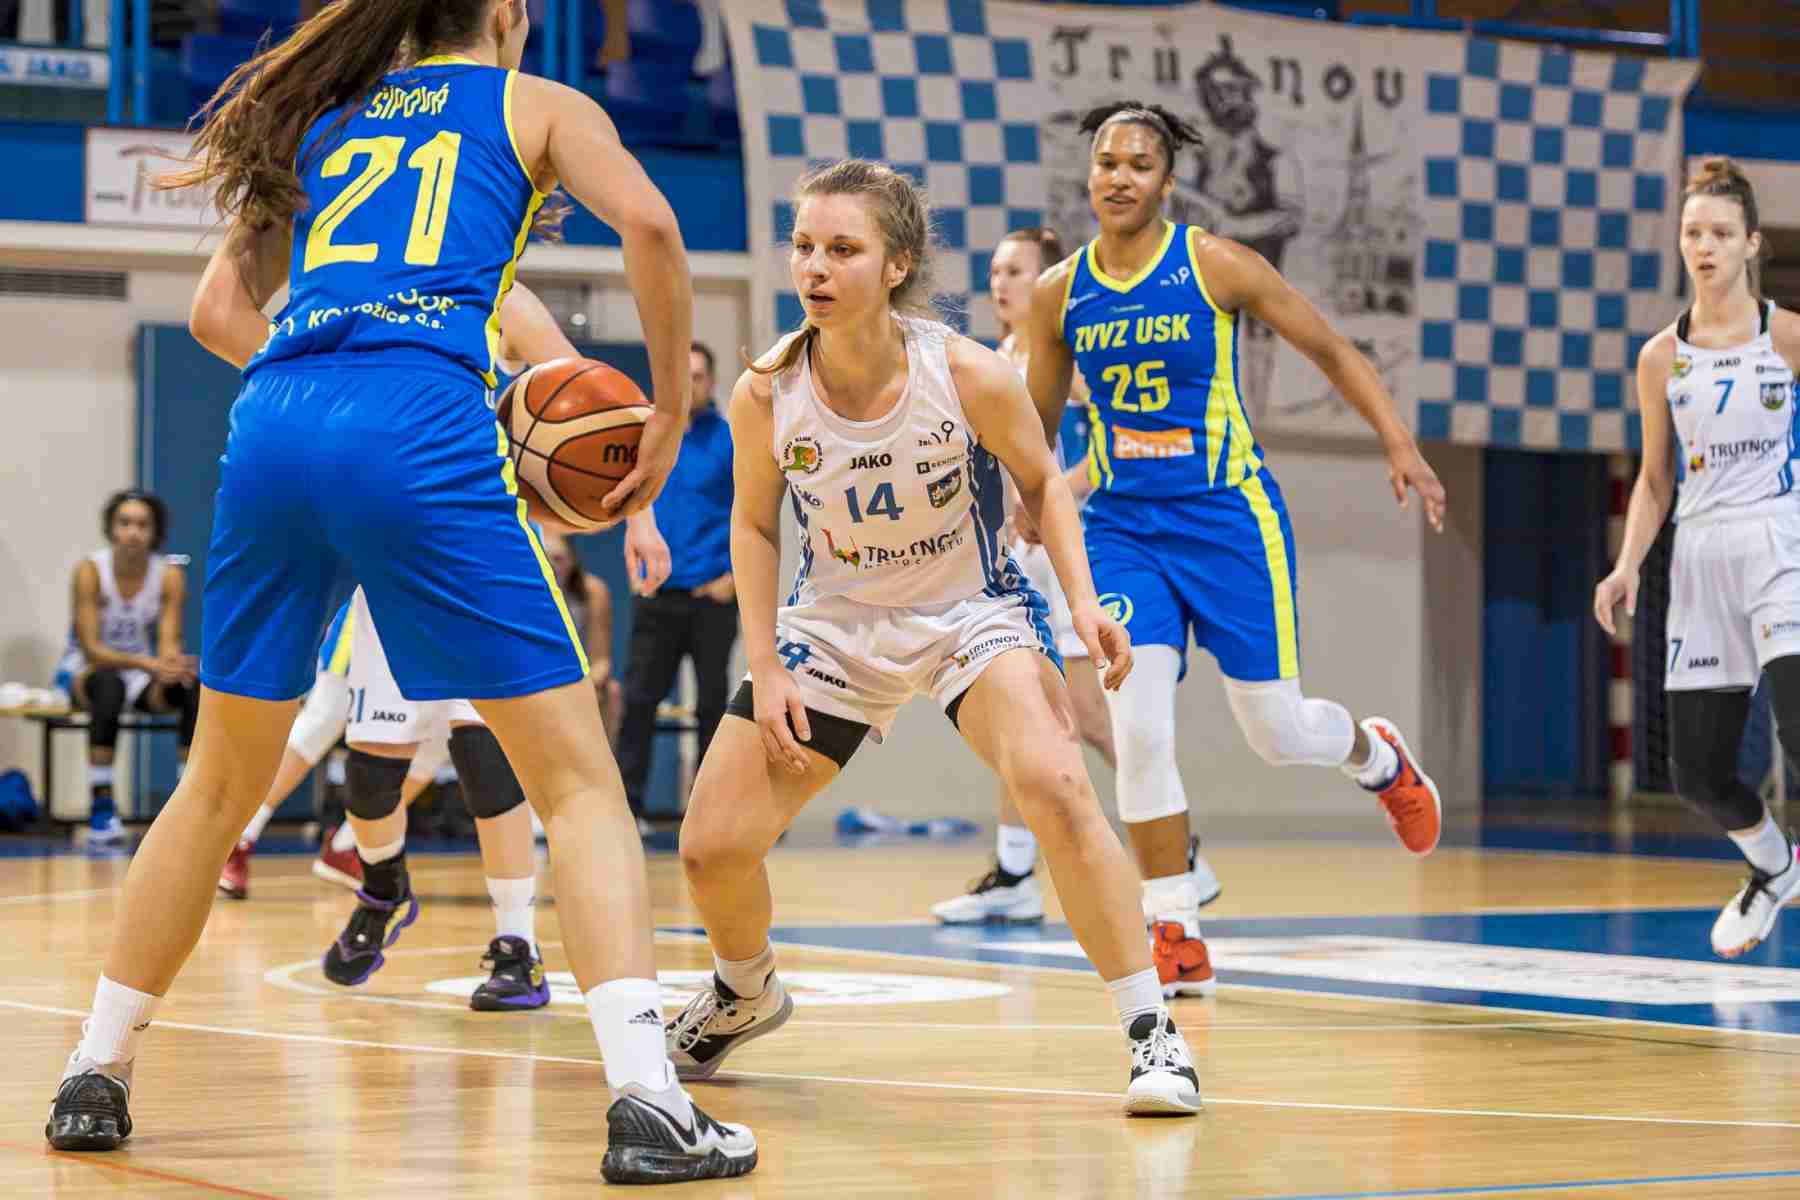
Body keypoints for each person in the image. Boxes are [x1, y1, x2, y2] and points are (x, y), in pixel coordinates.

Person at [44, 2, 755, 1184]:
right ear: (509, 14)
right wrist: (670, 416)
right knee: (579, 782)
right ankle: (648, 1103)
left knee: (215, 787)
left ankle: (93, 1069)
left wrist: (332, 377)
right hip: (420, 421)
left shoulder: (324, 115)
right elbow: (652, 223)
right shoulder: (534, 103)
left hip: (274, 422)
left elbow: (217, 314)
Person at [664, 158, 1201, 1116]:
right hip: (834, 628)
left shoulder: (965, 372)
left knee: (1056, 785)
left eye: (842, 249)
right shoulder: (767, 390)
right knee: (710, 848)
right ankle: (745, 989)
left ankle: (1151, 1028)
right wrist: (766, 663)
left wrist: (1083, 603)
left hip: (967, 614)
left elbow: (1042, 482)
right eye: (804, 246)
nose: (814, 267)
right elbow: (753, 525)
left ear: (897, 264)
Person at [1026, 102, 1447, 999]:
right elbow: (1034, 423)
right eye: (1106, 161)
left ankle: (1376, 755)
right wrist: (1030, 501)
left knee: (1277, 732)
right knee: (1139, 728)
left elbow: (1330, 347)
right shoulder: (1060, 292)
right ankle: (1174, 927)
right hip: (1123, 530)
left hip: (1228, 520)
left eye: (1139, 164)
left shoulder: (1215, 264)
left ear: (1168, 182)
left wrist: (1398, 442)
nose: (1119, 177)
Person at [1595, 157, 1800, 959]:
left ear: (1751, 243)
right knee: (1698, 774)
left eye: (1720, 233)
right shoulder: (1660, 357)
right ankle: (1774, 868)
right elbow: (1655, 480)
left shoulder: (1787, 336)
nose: (1705, 247)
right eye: (1693, 233)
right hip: (1699, 557)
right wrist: (1626, 566)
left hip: (1778, 542)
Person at [930, 227, 1117, 926]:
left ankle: (1175, 843)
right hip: (1012, 559)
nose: (999, 283)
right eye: (995, 271)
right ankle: (1013, 872)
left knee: (1088, 715)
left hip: (1070, 552)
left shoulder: (1064, 357)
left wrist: (1050, 495)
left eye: (1016, 271)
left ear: (1048, 282)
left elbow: (1116, 443)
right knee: (1023, 710)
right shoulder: (993, 360)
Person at [614, 342, 739, 822]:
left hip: (713, 596)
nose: (691, 385)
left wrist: (734, 578)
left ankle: (709, 812)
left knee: (713, 707)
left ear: (712, 382)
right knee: (638, 702)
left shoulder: (730, 438)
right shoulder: (648, 436)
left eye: (699, 376)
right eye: (682, 375)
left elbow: (755, 512)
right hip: (656, 594)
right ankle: (627, 810)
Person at [53, 490, 199, 846]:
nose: (133, 532)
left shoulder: (168, 575)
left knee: (190, 685)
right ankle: (101, 806)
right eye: (125, 523)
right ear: (111, 528)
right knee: (109, 686)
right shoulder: (90, 570)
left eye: (142, 525)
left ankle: (185, 806)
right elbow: (92, 648)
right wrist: (150, 663)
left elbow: (168, 640)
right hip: (86, 670)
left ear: (155, 532)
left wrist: (171, 665)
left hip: (139, 673)